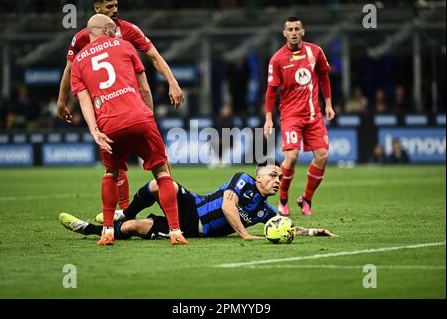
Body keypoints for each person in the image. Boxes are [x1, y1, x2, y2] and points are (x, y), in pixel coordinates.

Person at [70, 14, 187, 246]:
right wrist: (149, 117)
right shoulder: (125, 45)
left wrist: (94, 131)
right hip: (139, 118)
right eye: (112, 29)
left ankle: (107, 232)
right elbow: (144, 87)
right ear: (104, 30)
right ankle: (175, 231)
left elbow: (84, 101)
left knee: (111, 173)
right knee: (162, 172)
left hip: (108, 125)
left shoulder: (79, 61)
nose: (116, 32)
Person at [59, 159, 337, 240]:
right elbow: (228, 205)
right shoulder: (243, 181)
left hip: (193, 229)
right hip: (195, 207)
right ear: (260, 176)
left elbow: (285, 225)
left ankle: (88, 228)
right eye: (273, 175)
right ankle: (122, 212)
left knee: (135, 229)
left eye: (280, 178)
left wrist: (312, 231)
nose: (278, 181)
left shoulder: (265, 209)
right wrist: (244, 234)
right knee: (160, 183)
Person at [263, 17, 336, 217]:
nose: (293, 32)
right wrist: (269, 118)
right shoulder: (277, 59)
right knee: (292, 156)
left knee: (323, 156)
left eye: (297, 29)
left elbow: (324, 77)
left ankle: (307, 198)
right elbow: (271, 91)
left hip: (314, 115)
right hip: (290, 116)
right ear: (284, 33)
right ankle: (283, 198)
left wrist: (328, 104)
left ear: (303, 31)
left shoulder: (316, 52)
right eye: (290, 29)